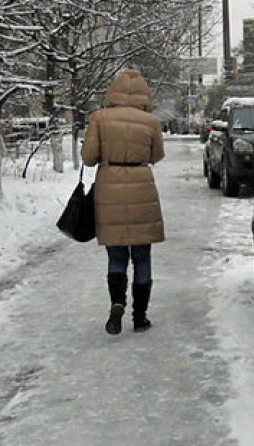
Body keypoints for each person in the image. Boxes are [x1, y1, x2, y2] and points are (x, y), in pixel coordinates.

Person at [81, 68, 165, 335]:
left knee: (116, 254)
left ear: (113, 91)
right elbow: (157, 156)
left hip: (109, 188)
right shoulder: (150, 121)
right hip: (142, 189)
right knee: (142, 256)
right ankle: (139, 317)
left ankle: (117, 303)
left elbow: (88, 157)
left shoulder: (99, 119)